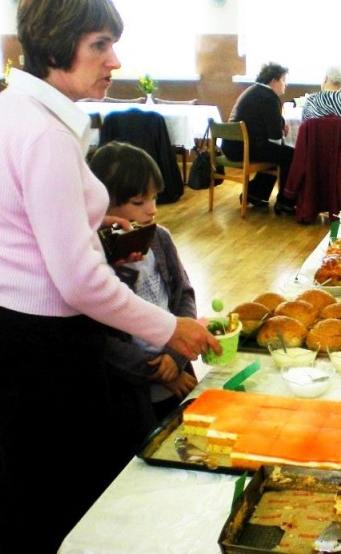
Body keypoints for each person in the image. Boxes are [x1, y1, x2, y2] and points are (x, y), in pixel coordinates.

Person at [0, 0, 219, 553]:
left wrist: (99, 238)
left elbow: (20, 229)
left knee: (23, 485)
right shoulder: (44, 133)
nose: (114, 60)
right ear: (55, 47)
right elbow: (76, 280)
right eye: (99, 45)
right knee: (65, 497)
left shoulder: (10, 110)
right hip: (44, 345)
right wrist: (172, 327)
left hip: (9, 328)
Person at [89, 141, 199, 456]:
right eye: (139, 201)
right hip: (132, 388)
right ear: (103, 206)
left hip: (176, 368)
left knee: (188, 446)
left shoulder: (161, 238)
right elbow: (102, 337)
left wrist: (176, 360)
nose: (151, 209)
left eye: (153, 197)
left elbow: (184, 295)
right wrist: (159, 371)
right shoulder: (94, 256)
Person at [223, 61, 296, 214]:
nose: (285, 84)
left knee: (275, 152)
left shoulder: (253, 90)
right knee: (290, 154)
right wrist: (281, 128)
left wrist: (280, 123)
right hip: (245, 148)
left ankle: (255, 194)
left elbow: (262, 119)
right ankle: (285, 202)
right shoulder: (269, 97)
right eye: (283, 80)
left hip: (231, 146)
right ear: (273, 81)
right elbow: (274, 135)